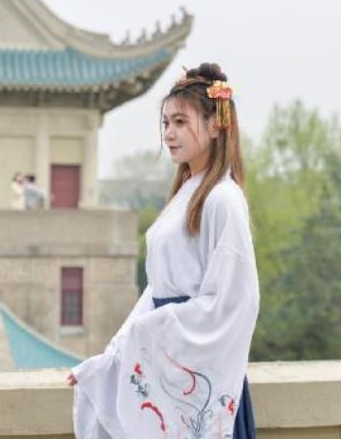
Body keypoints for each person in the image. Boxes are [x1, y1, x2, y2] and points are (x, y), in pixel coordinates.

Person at [68, 63, 260, 439]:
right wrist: (113, 356)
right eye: (166, 123)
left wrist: (152, 328)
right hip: (169, 354)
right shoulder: (187, 193)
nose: (169, 133)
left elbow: (234, 302)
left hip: (198, 367)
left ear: (216, 124)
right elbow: (155, 292)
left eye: (181, 122)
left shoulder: (223, 199)